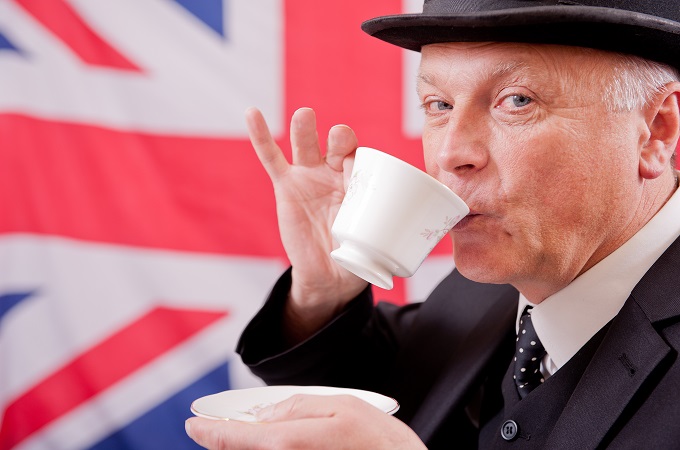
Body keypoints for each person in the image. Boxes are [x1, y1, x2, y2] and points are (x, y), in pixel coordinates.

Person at [186, 1, 680, 448]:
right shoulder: (483, 293)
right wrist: (323, 295)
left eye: (517, 100)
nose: (449, 153)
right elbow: (366, 387)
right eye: (439, 105)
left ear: (656, 131)